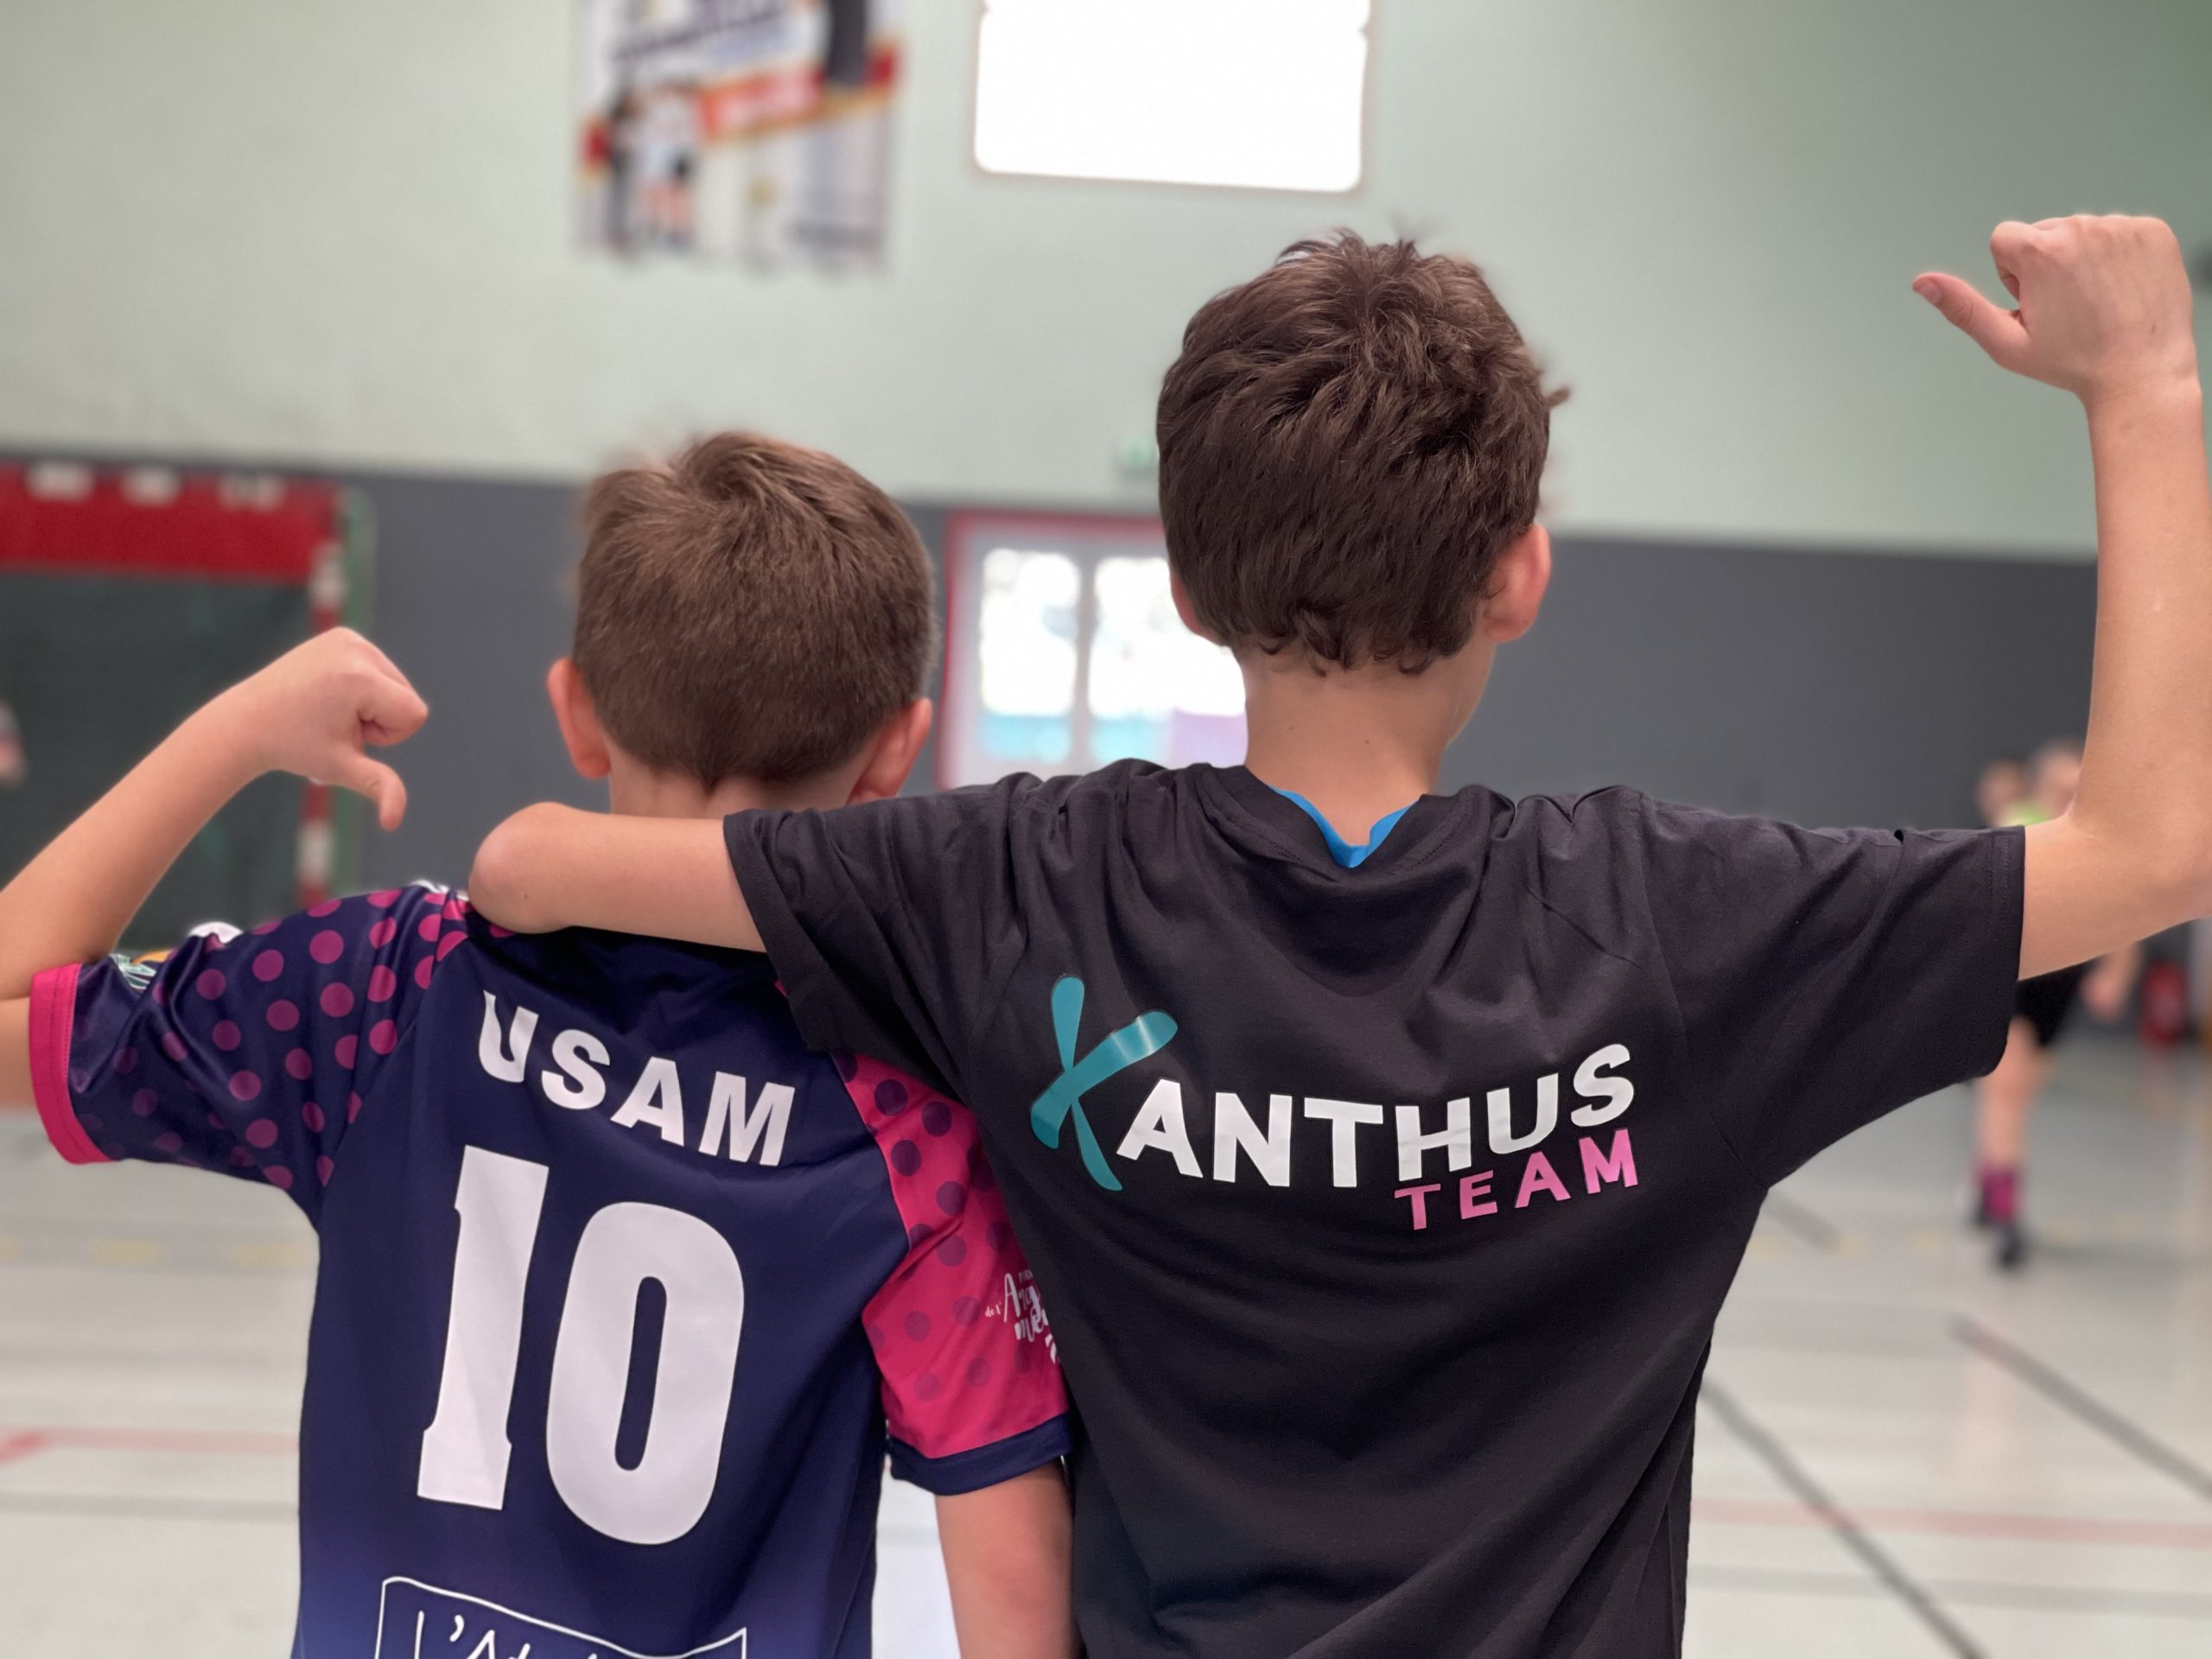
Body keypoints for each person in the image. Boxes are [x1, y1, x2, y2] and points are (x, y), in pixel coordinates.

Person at [467, 219, 2212, 1658]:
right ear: (1518, 574)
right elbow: (2152, 851)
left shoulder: (1012, 883)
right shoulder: (1682, 925)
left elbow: (536, 865)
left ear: (1183, 588)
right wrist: (2140, 385)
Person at [0, 435, 1077, 1659]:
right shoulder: (910, 1127)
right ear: (897, 746)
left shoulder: (385, 992)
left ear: (575, 713)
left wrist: (238, 728)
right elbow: (1015, 1594)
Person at [1974, 737, 2141, 1267]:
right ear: (2042, 787)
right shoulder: (2021, 827)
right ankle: (2005, 1215)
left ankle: (1987, 1176)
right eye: (2062, 787)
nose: (2071, 797)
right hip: (2014, 981)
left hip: (2060, 987)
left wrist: (2115, 975)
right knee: (2007, 1090)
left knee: (2020, 1095)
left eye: (2078, 788)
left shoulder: (2101, 843)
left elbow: (2125, 914)